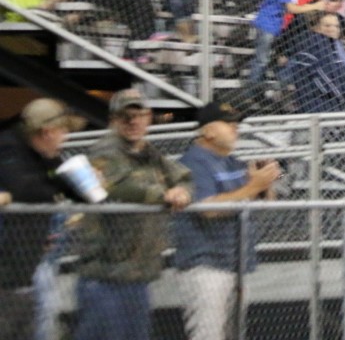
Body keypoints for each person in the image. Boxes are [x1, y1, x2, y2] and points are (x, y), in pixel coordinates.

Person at [73, 89, 193, 340]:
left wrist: (182, 191)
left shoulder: (148, 151)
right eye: (126, 117)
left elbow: (183, 176)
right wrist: (164, 195)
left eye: (139, 115)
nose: (133, 122)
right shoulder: (104, 150)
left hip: (137, 273)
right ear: (114, 120)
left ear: (148, 118)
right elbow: (118, 187)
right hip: (106, 273)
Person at [173, 102, 280, 340]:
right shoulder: (192, 162)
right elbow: (208, 209)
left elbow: (264, 202)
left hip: (237, 263)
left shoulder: (232, 161)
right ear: (208, 131)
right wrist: (253, 186)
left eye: (236, 123)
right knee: (208, 335)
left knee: (234, 334)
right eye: (227, 123)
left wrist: (266, 181)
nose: (235, 128)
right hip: (206, 266)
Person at [0, 99, 86, 340]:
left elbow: (72, 189)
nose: (65, 138)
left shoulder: (45, 155)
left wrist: (89, 185)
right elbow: (24, 188)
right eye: (63, 131)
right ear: (47, 132)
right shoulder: (8, 147)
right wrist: (57, 188)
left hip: (24, 272)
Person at [278, 13, 345, 113]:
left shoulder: (336, 46)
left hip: (337, 103)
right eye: (327, 26)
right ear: (316, 27)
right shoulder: (312, 44)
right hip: (318, 104)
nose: (333, 29)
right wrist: (343, 98)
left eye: (336, 26)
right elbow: (323, 76)